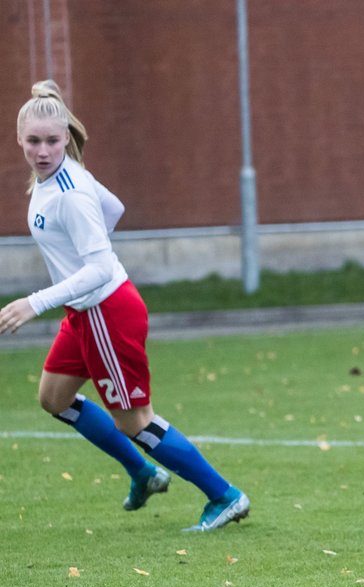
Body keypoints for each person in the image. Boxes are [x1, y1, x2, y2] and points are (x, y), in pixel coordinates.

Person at [0, 80, 249, 532]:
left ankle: (225, 495)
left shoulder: (70, 192)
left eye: (52, 141)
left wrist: (35, 302)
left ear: (65, 138)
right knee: (53, 399)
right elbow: (114, 209)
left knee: (136, 422)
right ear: (18, 139)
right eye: (33, 141)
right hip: (83, 313)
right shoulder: (58, 177)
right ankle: (144, 473)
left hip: (105, 312)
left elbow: (97, 268)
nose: (42, 150)